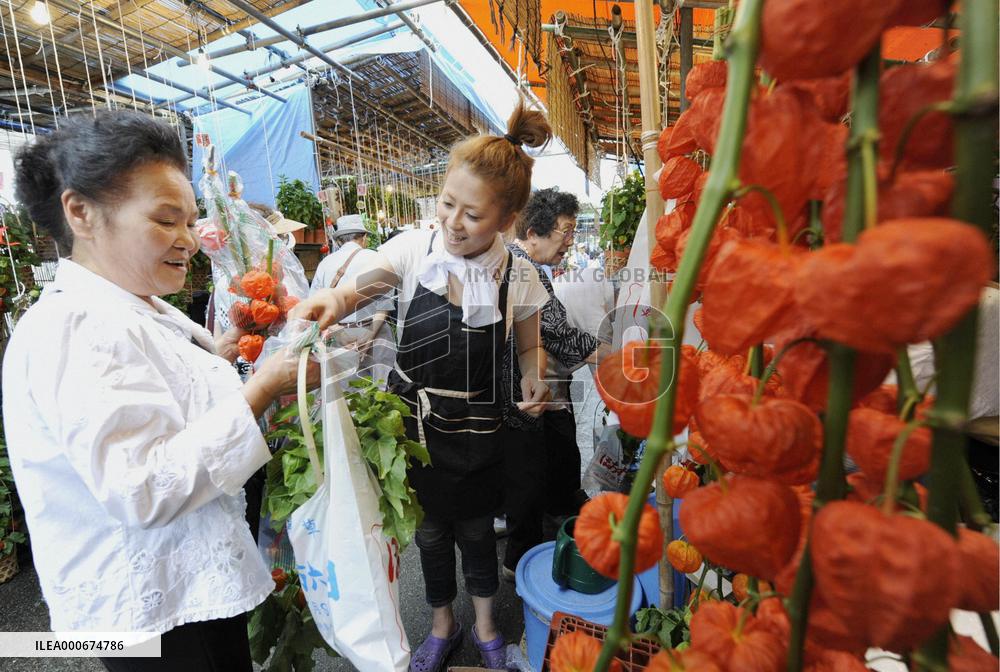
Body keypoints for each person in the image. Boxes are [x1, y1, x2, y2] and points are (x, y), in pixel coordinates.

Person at [2, 111, 318, 672]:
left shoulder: (131, 305)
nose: (189, 241)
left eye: (192, 222)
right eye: (167, 221)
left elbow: (158, 393)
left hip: (181, 590)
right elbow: (142, 485)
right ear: (81, 212)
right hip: (152, 615)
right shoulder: (76, 326)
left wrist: (221, 353)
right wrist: (264, 386)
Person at [291, 100, 552, 671]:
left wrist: (534, 377)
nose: (453, 223)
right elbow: (360, 289)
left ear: (507, 221)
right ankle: (442, 625)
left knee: (480, 534)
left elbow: (530, 345)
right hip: (413, 425)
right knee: (430, 535)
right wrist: (333, 298)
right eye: (447, 204)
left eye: (473, 215)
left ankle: (486, 625)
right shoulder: (415, 250)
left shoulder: (520, 273)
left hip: (481, 426)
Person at [501, 188, 611, 578]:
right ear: (533, 233)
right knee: (532, 474)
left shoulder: (522, 264)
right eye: (564, 232)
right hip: (529, 392)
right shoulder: (521, 267)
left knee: (542, 469)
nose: (570, 242)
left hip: (534, 388)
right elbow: (557, 332)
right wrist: (617, 357)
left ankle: (541, 535)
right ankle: (525, 564)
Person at [310, 214, 394, 386]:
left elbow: (315, 306)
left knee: (348, 397)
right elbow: (385, 302)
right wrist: (370, 335)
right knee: (383, 393)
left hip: (338, 337)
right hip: (376, 332)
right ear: (363, 238)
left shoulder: (325, 264)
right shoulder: (376, 258)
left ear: (339, 241)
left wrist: (338, 331)